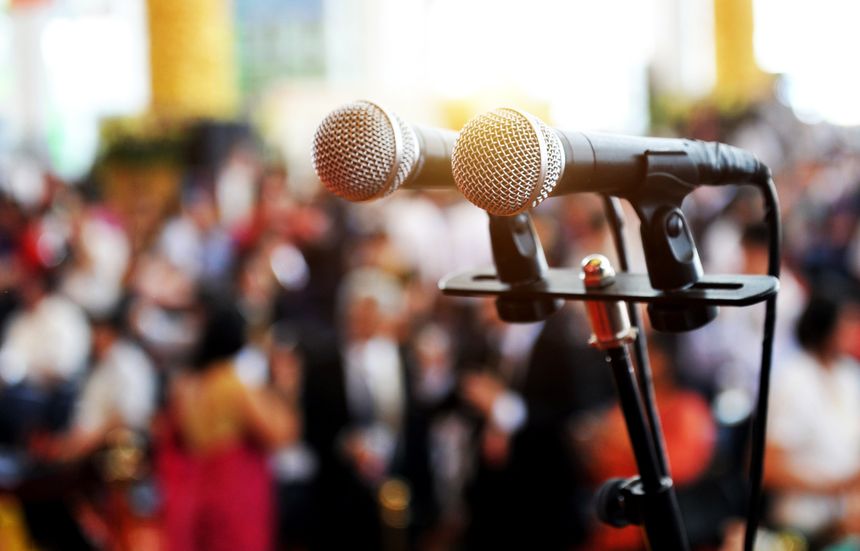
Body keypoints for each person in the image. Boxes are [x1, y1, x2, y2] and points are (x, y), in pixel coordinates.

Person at [156, 298, 298, 551]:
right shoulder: (231, 384)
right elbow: (280, 435)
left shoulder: (189, 385)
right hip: (235, 491)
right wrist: (286, 389)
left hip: (199, 490)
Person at [765, 293, 860, 548]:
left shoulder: (849, 374)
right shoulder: (793, 379)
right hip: (801, 524)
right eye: (847, 322)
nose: (854, 330)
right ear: (825, 325)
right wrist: (832, 487)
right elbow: (768, 467)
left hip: (844, 518)